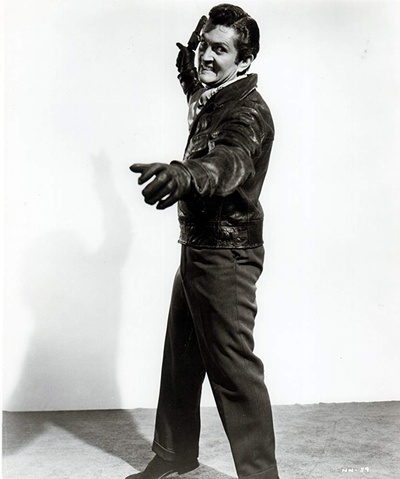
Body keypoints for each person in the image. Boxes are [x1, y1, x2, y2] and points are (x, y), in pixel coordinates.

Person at [128, 4, 279, 479]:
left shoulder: (248, 113)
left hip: (226, 257)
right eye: (204, 47)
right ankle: (174, 455)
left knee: (234, 372)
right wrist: (192, 52)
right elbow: (192, 78)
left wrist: (184, 175)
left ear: (245, 60)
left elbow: (229, 161)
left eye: (220, 50)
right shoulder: (213, 93)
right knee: (182, 357)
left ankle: (261, 476)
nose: (206, 57)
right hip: (198, 247)